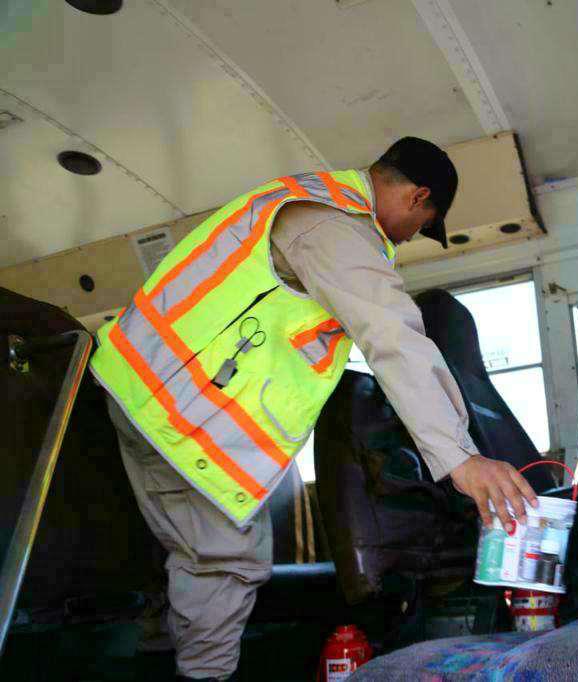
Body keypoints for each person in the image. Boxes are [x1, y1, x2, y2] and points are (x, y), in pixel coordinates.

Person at [90, 137, 538, 681]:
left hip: (143, 389)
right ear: (418, 197)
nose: (414, 234)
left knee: (191, 556)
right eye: (425, 222)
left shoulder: (305, 202)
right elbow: (391, 335)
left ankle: (156, 655)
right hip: (176, 411)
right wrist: (461, 459)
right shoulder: (335, 225)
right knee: (229, 560)